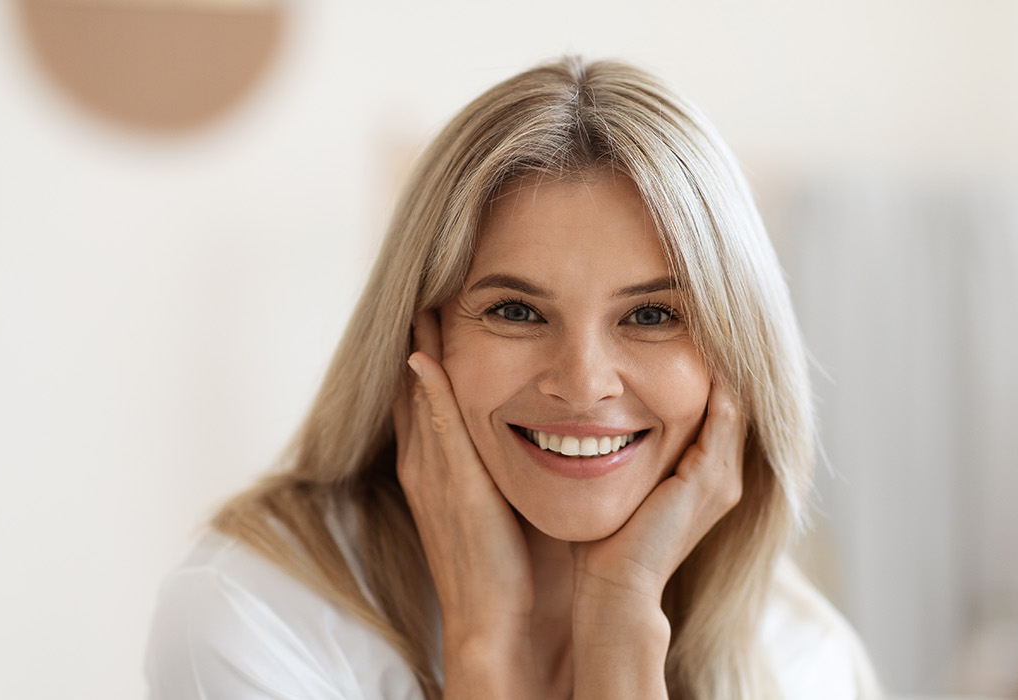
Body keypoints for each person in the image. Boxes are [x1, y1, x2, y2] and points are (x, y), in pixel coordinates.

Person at [145, 56, 883, 700]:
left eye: (653, 316)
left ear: (737, 353)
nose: (584, 382)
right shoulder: (256, 619)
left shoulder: (794, 658)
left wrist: (620, 630)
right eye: (516, 310)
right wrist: (483, 646)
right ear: (418, 334)